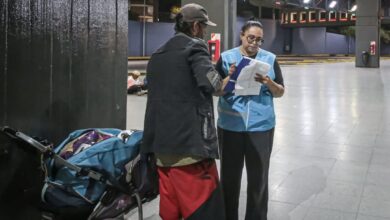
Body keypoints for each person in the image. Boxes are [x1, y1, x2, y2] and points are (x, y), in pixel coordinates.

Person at [141, 3, 228, 220]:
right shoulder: (195, 47)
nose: (205, 31)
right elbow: (213, 85)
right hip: (190, 150)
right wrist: (230, 78)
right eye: (204, 26)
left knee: (171, 212)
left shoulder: (157, 54)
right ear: (196, 26)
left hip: (160, 148)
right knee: (205, 210)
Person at [215, 20, 285, 220]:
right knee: (229, 179)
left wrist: (268, 82)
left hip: (261, 127)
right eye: (251, 38)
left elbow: (280, 92)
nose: (255, 43)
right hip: (230, 127)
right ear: (242, 36)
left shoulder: (269, 60)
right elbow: (217, 90)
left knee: (258, 179)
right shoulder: (227, 58)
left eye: (259, 40)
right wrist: (231, 77)